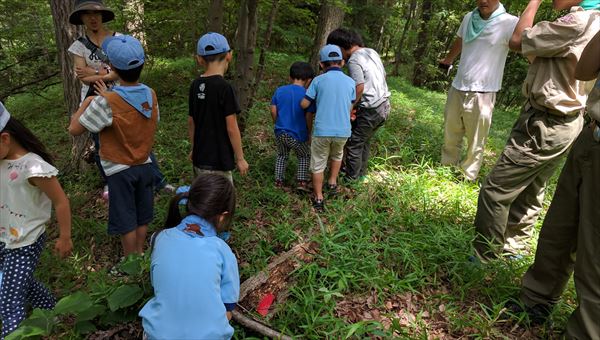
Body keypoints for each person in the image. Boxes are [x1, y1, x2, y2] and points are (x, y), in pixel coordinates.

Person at [472, 0, 600, 260]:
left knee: (496, 189)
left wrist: (533, 2)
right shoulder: (594, 22)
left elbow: (518, 39)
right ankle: (514, 249)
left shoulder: (576, 22)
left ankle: (484, 257)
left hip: (545, 122)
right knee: (532, 189)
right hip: (566, 121)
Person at [505, 29, 600, 338]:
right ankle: (536, 300)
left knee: (595, 255)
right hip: (591, 134)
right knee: (558, 230)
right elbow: (584, 70)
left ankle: (585, 332)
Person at [68, 0, 172, 199]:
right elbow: (82, 76)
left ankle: (158, 181)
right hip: (96, 96)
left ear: (103, 15)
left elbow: (117, 71)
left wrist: (97, 72)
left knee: (138, 136)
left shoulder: (119, 39)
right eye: (87, 14)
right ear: (81, 18)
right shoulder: (78, 46)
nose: (92, 18)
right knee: (100, 142)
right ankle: (110, 182)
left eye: (96, 13)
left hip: (125, 94)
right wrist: (109, 72)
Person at [68, 35, 158, 257]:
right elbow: (153, 119)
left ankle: (131, 260)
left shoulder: (106, 101)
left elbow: (75, 129)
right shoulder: (150, 94)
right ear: (142, 65)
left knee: (126, 218)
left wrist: (88, 102)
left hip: (119, 171)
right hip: (145, 164)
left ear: (113, 69)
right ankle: (140, 253)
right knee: (143, 213)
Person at [0, 102, 72, 337]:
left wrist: (65, 237)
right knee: (22, 284)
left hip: (25, 242)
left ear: (5, 139)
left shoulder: (33, 167)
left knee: (8, 302)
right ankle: (51, 311)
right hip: (4, 237)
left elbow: (61, 201)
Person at [139, 174, 239, 340]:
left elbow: (159, 284)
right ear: (223, 215)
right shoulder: (223, 250)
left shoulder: (159, 238)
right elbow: (228, 307)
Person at [438, 0, 518, 181]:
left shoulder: (510, 22)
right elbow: (460, 39)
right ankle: (446, 168)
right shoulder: (468, 17)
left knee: (476, 141)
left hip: (484, 92)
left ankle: (467, 176)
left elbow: (524, 47)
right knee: (451, 133)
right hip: (458, 86)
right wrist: (449, 59)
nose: (484, 1)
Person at [326, 28, 391, 181]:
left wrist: (350, 107)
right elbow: (383, 75)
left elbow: (359, 86)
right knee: (363, 141)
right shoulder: (371, 52)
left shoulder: (354, 59)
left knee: (354, 143)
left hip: (370, 108)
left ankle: (351, 179)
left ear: (341, 47)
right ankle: (360, 175)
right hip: (384, 105)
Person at [301, 45, 356, 211]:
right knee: (337, 154)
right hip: (343, 130)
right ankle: (332, 182)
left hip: (322, 130)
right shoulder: (351, 82)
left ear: (321, 65)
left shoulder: (318, 80)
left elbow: (304, 104)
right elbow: (351, 104)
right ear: (342, 62)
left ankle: (318, 197)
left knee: (318, 162)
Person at [188, 32, 249, 183]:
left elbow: (191, 121)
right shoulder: (225, 88)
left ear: (199, 59)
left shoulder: (195, 85)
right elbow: (231, 127)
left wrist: (194, 148)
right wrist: (240, 158)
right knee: (221, 203)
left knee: (203, 200)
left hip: (200, 158)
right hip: (219, 161)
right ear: (229, 55)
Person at [270, 61, 315, 191]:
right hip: (298, 134)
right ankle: (301, 182)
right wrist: (309, 132)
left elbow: (273, 110)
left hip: (280, 132)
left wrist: (277, 123)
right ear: (308, 81)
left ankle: (278, 182)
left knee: (282, 155)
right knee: (304, 155)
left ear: (290, 77)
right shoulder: (307, 96)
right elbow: (308, 116)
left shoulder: (280, 90)